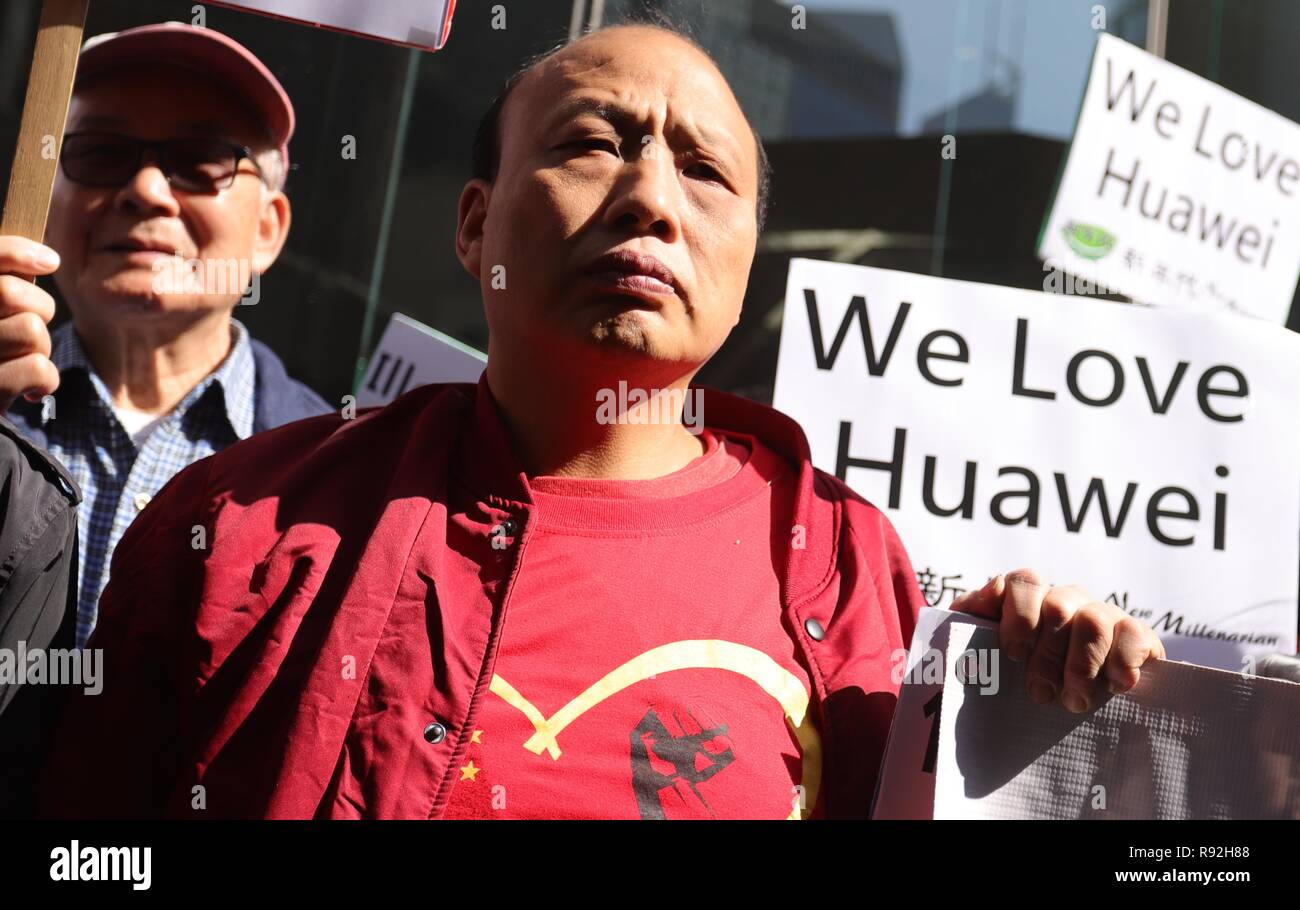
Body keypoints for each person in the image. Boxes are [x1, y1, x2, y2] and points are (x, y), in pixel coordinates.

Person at [40, 21, 1165, 820]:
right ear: (475, 226)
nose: (650, 200)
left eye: (706, 173)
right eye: (592, 143)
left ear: (743, 264)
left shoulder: (847, 568)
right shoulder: (243, 520)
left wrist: (1018, 718)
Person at [0, 23, 330, 648]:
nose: (147, 191)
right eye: (100, 153)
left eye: (200, 161)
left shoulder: (339, 477)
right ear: (46, 202)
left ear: (268, 228)